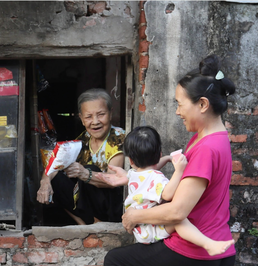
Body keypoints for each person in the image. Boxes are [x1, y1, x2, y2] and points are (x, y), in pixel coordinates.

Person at [98, 54, 237, 265]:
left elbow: (177, 211)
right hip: (216, 243)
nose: (177, 111)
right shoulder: (210, 137)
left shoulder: (206, 148)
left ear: (202, 104)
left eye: (180, 104)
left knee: (115, 260)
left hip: (194, 251)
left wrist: (134, 216)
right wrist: (134, 177)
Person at [120, 125, 234, 256]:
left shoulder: (132, 174)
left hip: (140, 229)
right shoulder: (156, 178)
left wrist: (168, 159)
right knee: (179, 220)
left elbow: (150, 168)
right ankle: (207, 244)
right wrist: (179, 171)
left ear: (131, 160)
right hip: (152, 228)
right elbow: (167, 194)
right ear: (159, 154)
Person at [36, 88, 126, 225]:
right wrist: (45, 182)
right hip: (90, 208)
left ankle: (99, 223)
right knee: (56, 177)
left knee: (89, 169)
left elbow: (113, 180)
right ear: (82, 119)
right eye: (89, 117)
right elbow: (52, 166)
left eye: (101, 114)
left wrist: (85, 174)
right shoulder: (82, 140)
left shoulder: (119, 138)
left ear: (110, 113)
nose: (95, 121)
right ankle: (83, 225)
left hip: (113, 208)